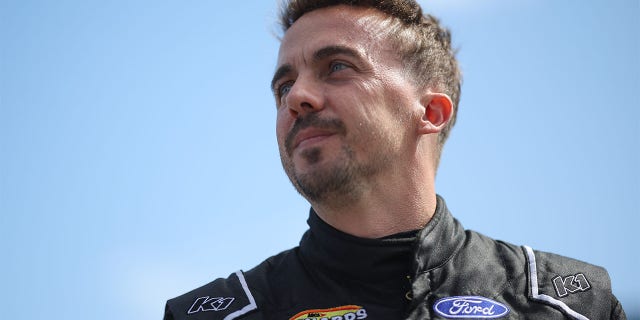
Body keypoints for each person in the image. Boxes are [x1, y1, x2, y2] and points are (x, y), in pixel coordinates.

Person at [164, 1, 626, 319]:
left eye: (337, 67)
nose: (297, 97)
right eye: (283, 86)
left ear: (430, 113)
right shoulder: (214, 312)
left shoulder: (570, 302)